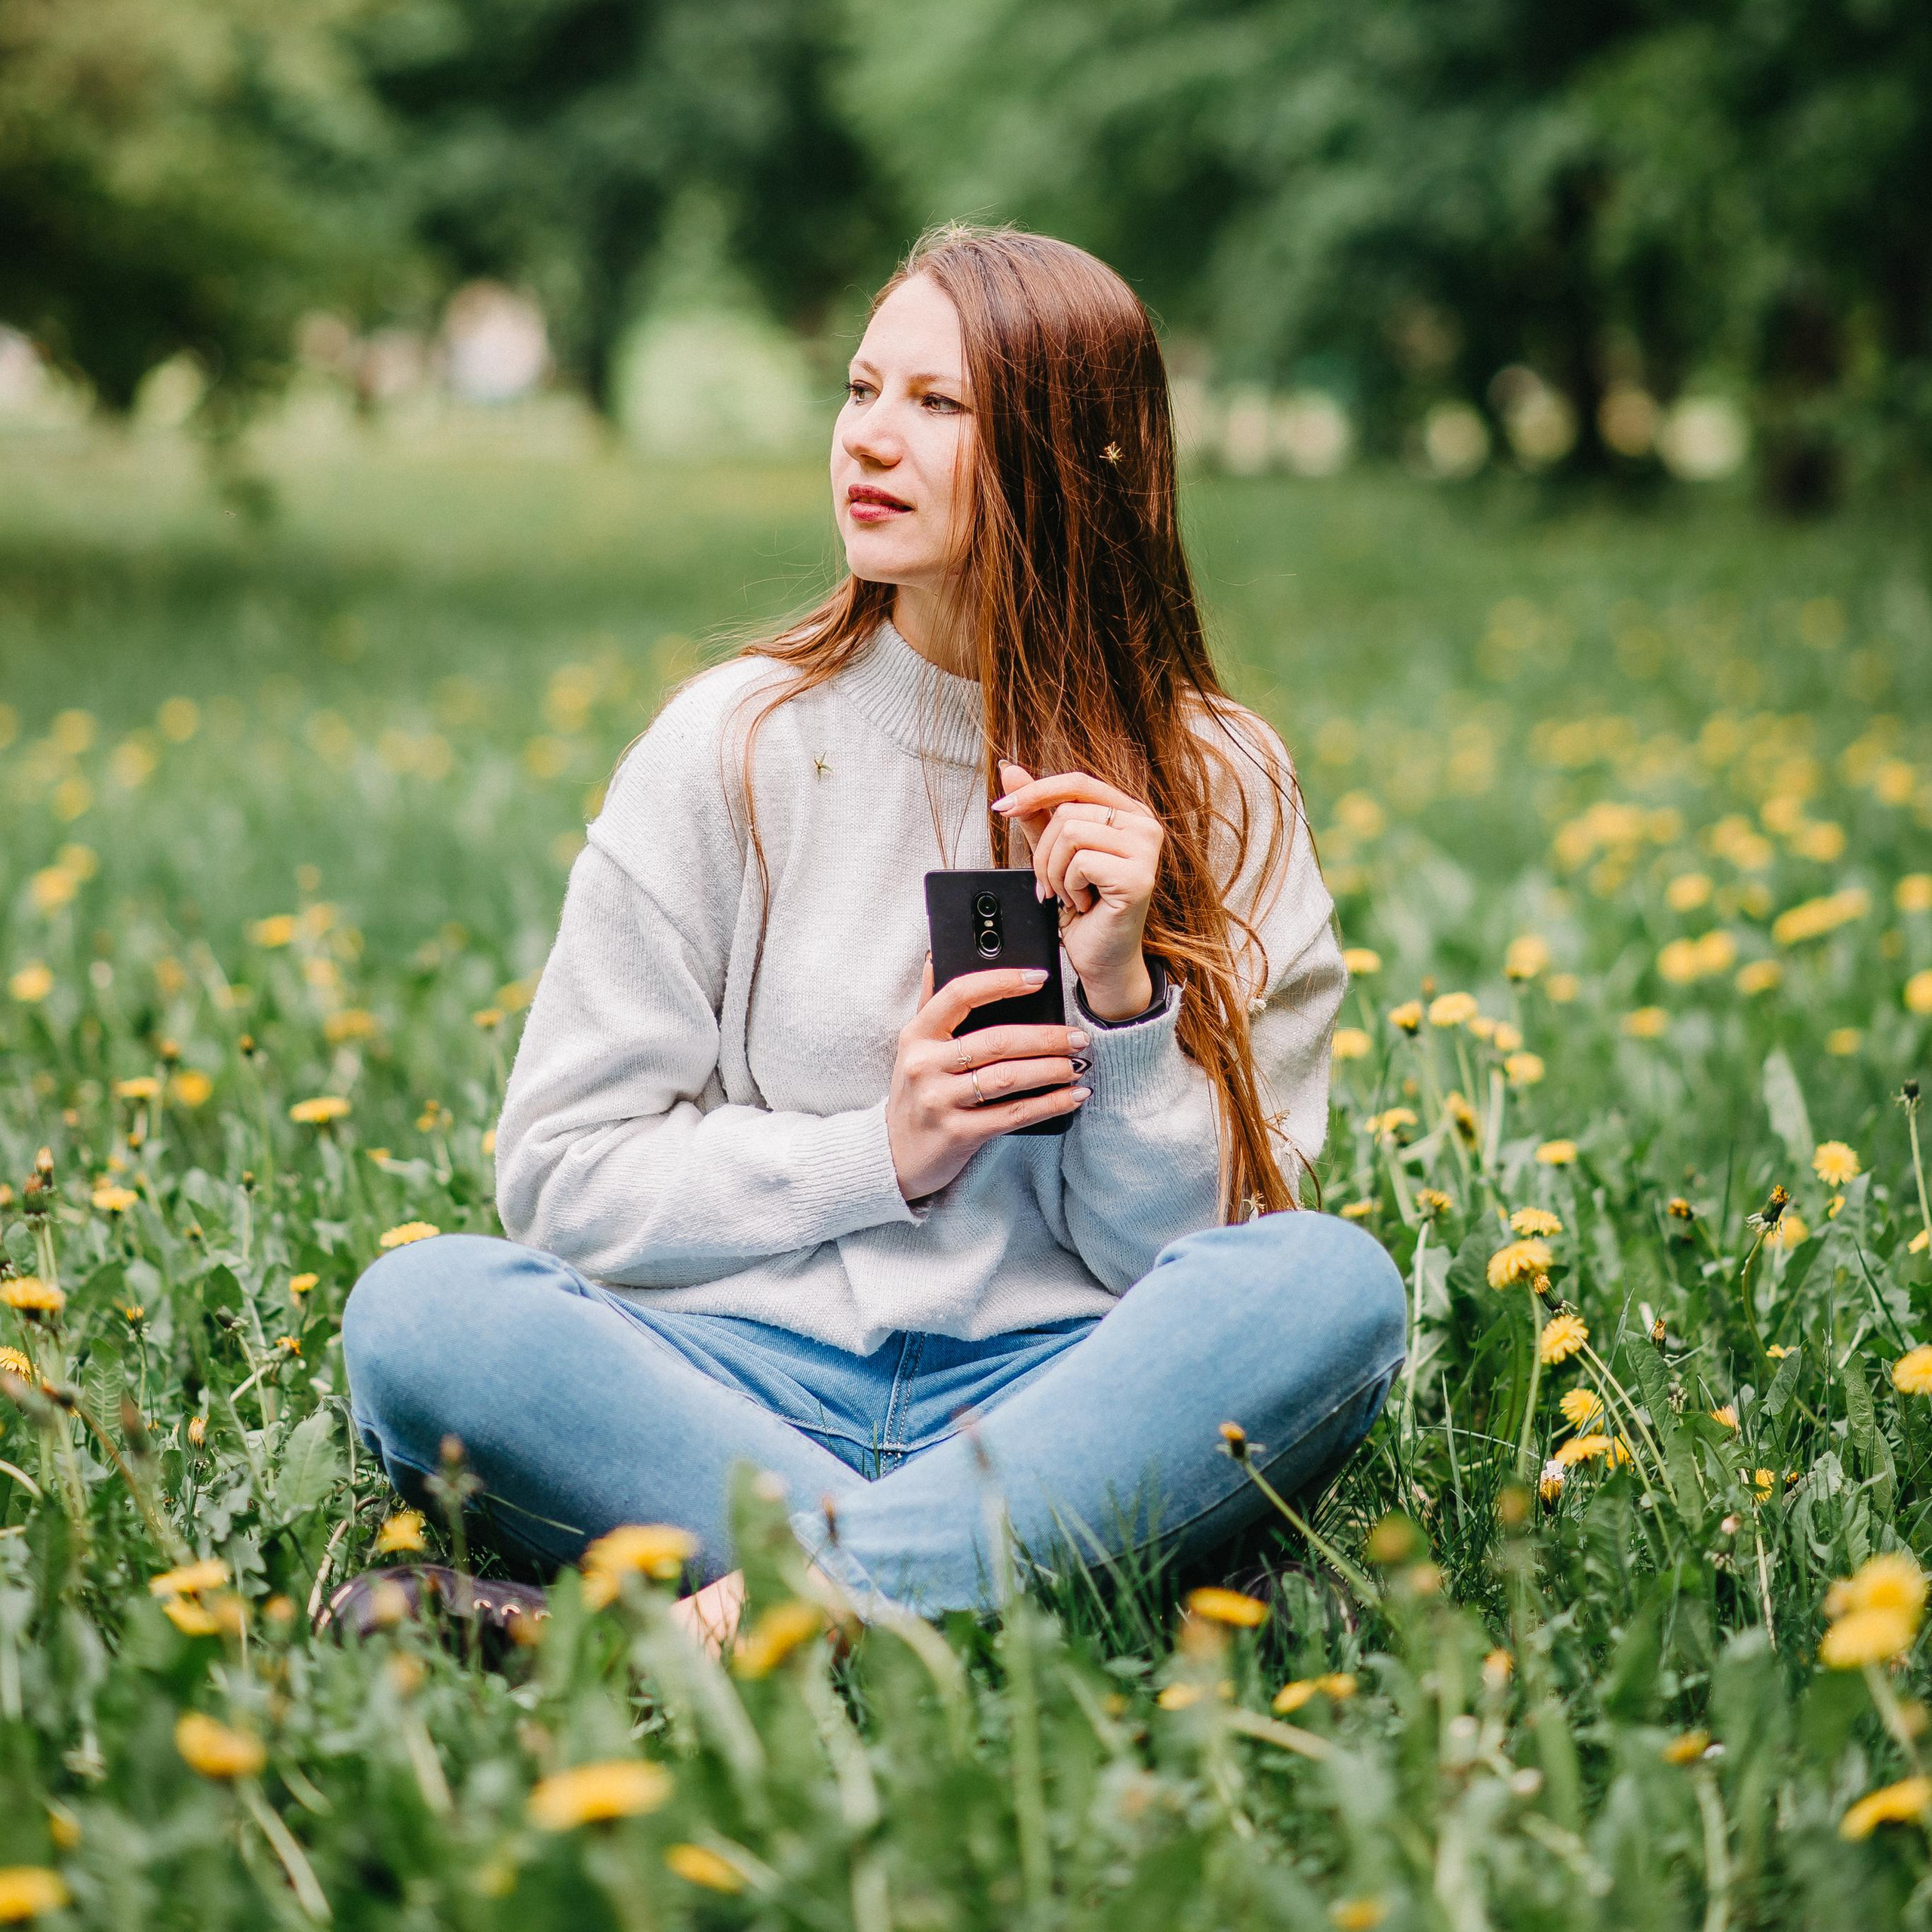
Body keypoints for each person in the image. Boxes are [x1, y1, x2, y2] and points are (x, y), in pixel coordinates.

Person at [340, 220, 1405, 1654]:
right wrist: (879, 1153)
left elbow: (1191, 1263)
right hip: (731, 1383)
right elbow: (560, 1178)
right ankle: (996, 1572)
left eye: (938, 404)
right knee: (423, 1311)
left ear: (1077, 452)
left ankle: (728, 1621)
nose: (871, 441)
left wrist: (1126, 1003)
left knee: (1325, 1287)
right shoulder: (733, 744)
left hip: (1061, 1387)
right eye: (859, 391)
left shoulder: (1219, 782)